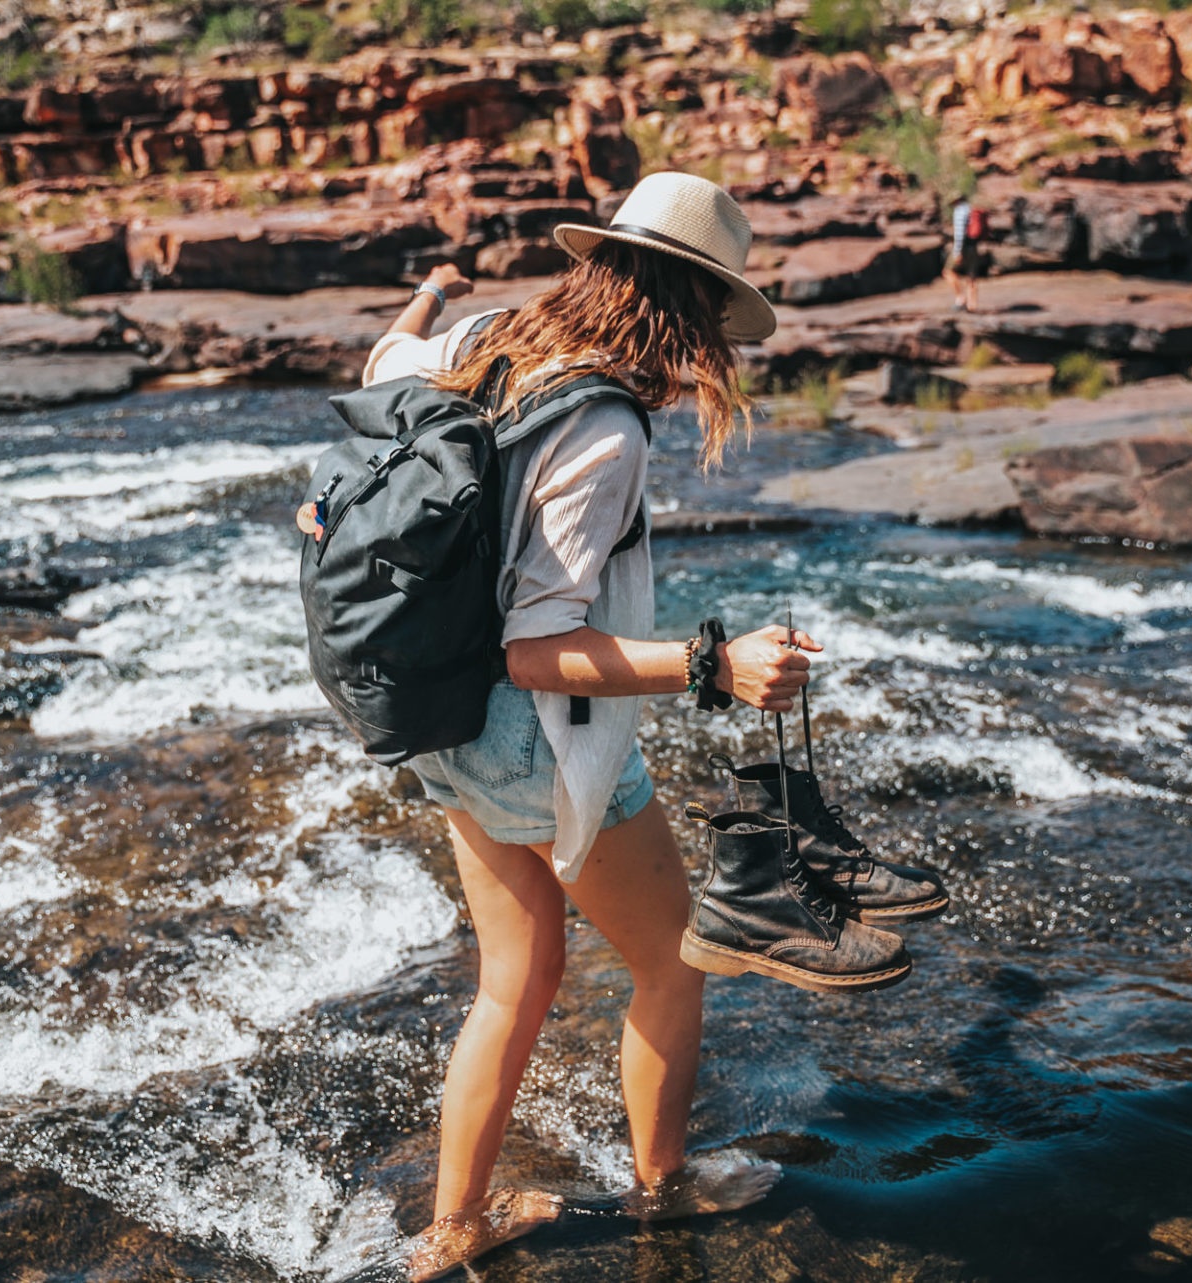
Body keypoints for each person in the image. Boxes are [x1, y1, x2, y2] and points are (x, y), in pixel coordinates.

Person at [358, 172, 811, 1280]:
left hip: (439, 715)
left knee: (515, 976)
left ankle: (452, 1230)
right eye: (713, 320)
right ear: (689, 307)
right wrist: (715, 662)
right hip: (530, 731)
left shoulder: (487, 335)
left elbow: (380, 368)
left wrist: (425, 294)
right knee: (675, 958)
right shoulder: (604, 427)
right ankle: (665, 1189)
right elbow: (539, 646)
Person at [946, 193, 987, 313]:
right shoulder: (970, 209)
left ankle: (961, 298)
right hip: (973, 246)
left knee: (948, 271)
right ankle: (972, 305)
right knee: (971, 275)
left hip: (963, 247)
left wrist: (957, 252)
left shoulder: (959, 211)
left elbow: (959, 234)